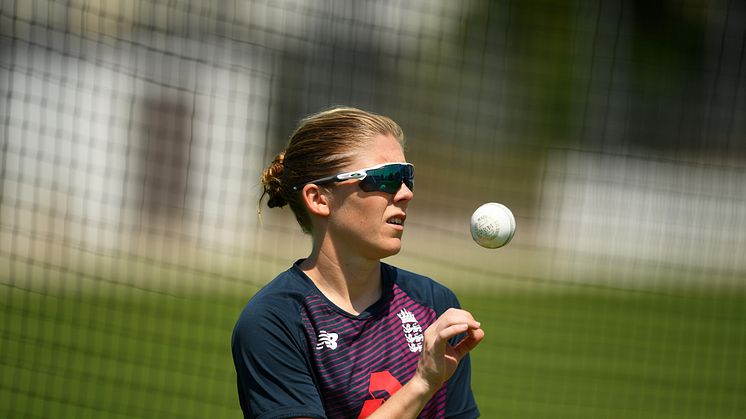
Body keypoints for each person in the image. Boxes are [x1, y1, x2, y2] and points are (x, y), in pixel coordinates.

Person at [232, 106, 484, 419]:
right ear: (319, 199)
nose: (405, 193)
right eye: (386, 178)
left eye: (407, 177)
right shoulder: (274, 321)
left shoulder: (434, 305)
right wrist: (422, 383)